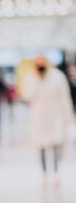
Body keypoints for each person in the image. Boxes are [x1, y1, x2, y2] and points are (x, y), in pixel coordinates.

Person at [23, 54, 74, 188]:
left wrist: (68, 116)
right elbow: (27, 96)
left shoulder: (57, 76)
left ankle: (56, 173)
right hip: (39, 115)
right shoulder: (31, 77)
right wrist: (36, 79)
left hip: (55, 114)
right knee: (41, 147)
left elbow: (65, 96)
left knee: (56, 145)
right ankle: (45, 174)